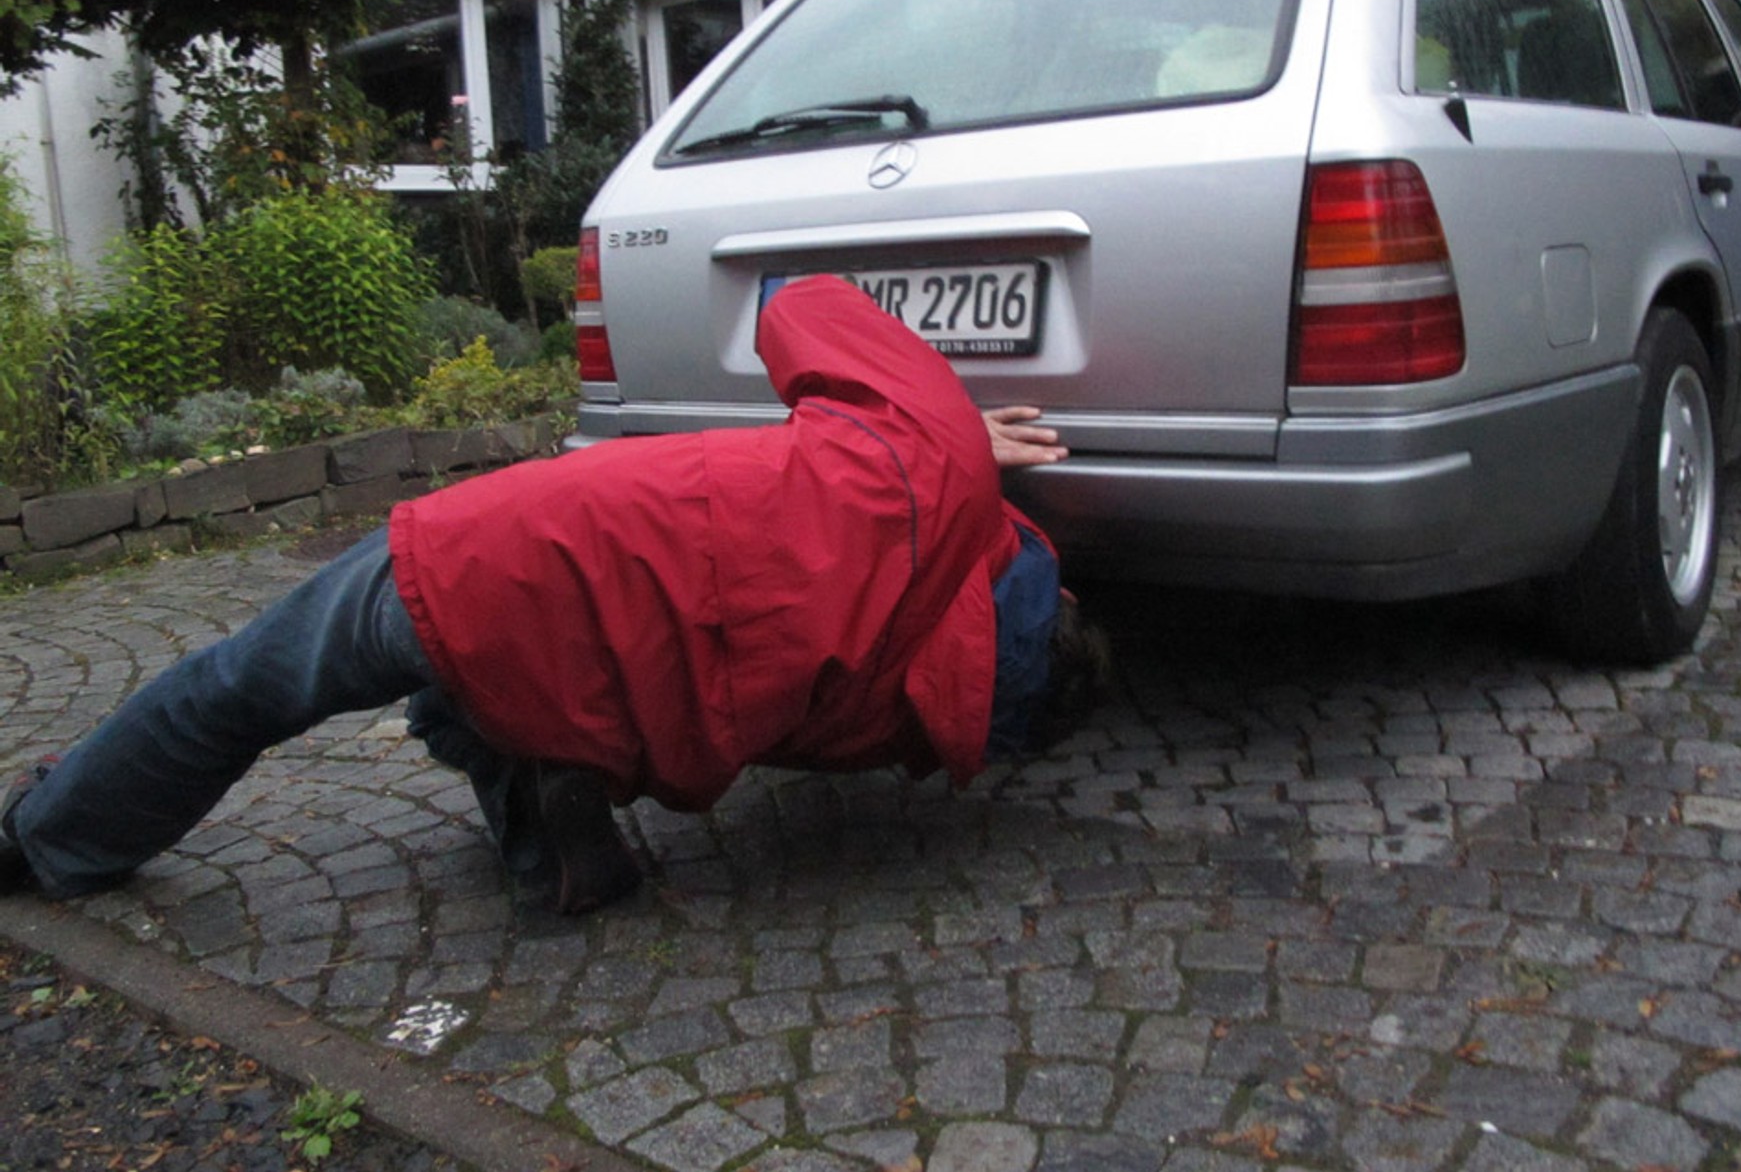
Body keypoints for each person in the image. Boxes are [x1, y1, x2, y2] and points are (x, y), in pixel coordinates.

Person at [0, 276, 1106, 914]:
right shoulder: (889, 730)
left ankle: (49, 841)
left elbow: (798, 305)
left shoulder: (930, 467)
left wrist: (956, 431)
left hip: (497, 562)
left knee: (235, 689)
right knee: (453, 696)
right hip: (583, 691)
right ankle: (553, 829)